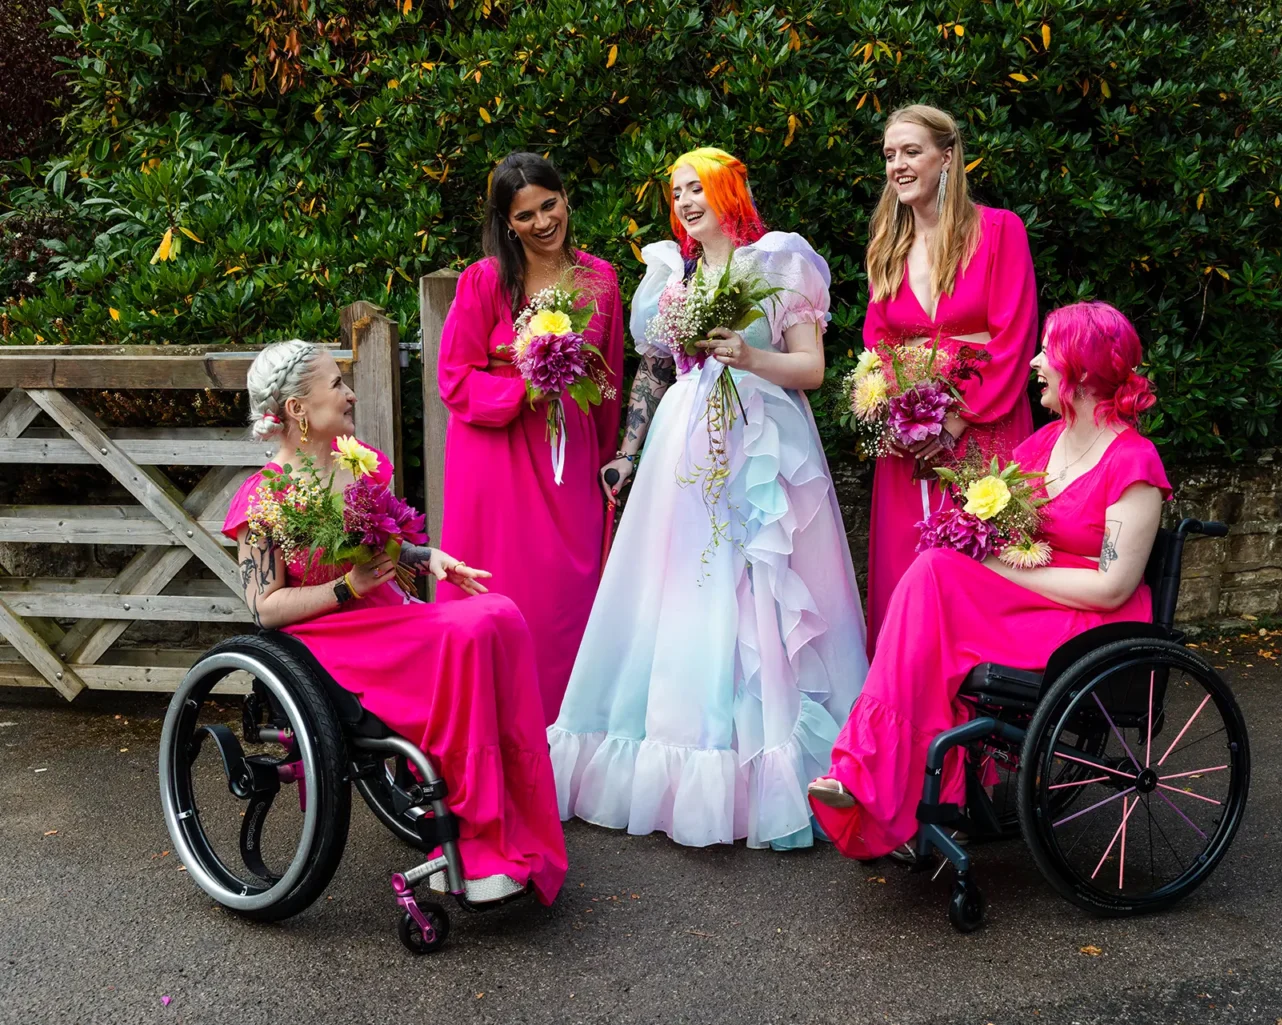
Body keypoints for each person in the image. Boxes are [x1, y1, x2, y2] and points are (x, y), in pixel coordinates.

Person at [548, 147, 869, 850]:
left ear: (729, 190)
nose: (687, 200)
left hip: (763, 446)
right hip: (682, 453)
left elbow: (811, 368)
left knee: (762, 590)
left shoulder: (780, 263)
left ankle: (776, 768)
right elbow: (657, 370)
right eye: (677, 191)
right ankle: (684, 758)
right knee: (685, 594)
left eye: (698, 187)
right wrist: (629, 453)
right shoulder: (673, 274)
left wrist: (749, 357)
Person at [808, 302, 1168, 861]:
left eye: (1049, 352)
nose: (1034, 363)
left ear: (1082, 368)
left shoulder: (1133, 462)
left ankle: (870, 776)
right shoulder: (1044, 445)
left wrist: (1001, 569)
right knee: (935, 578)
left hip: (1090, 626)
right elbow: (996, 529)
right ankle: (895, 786)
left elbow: (1114, 587)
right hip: (1032, 606)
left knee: (936, 583)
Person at [227, 339, 566, 905]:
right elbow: (264, 607)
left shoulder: (357, 465)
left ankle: (511, 832)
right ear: (297, 410)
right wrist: (346, 589)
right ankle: (476, 841)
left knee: (500, 616)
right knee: (468, 632)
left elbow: (381, 552)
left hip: (388, 622)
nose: (350, 393)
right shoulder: (264, 501)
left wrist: (427, 558)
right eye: (336, 384)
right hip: (331, 646)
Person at [437, 152, 626, 724]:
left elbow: (608, 375)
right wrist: (523, 392)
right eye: (525, 215)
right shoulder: (485, 281)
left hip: (571, 455)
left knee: (568, 594)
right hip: (493, 459)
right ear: (506, 222)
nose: (543, 222)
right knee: (499, 593)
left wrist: (612, 456)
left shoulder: (601, 278)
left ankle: (563, 739)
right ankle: (486, 734)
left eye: (550, 205)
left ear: (566, 198)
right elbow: (454, 376)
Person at [862, 104, 1040, 656]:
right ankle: (905, 716)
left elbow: (1013, 335)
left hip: (981, 430)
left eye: (912, 151)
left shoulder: (998, 231)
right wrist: (895, 414)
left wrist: (956, 420)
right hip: (908, 443)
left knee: (975, 565)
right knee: (904, 568)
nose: (898, 165)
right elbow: (877, 343)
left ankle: (981, 723)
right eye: (890, 155)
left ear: (947, 157)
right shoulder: (887, 247)